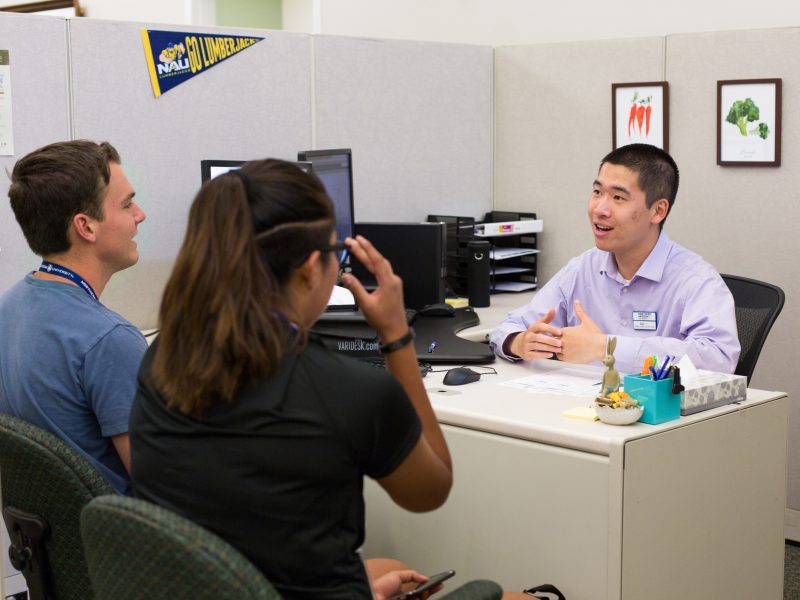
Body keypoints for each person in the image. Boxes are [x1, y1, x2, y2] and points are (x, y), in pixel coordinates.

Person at [129, 160, 528, 600]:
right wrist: (396, 336)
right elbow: (430, 491)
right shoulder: (348, 389)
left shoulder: (161, 360)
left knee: (393, 569)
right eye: (334, 253)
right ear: (308, 269)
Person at [490, 143, 740, 375]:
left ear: (658, 210)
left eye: (618, 197)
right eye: (597, 192)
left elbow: (719, 360)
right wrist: (520, 342)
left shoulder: (696, 280)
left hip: (658, 417)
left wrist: (607, 348)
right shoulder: (583, 268)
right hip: (578, 410)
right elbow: (509, 327)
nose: (600, 209)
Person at [0, 140, 147, 495]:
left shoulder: (8, 308)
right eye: (127, 204)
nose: (139, 214)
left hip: (55, 545)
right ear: (87, 227)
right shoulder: (109, 339)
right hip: (119, 545)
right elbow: (163, 489)